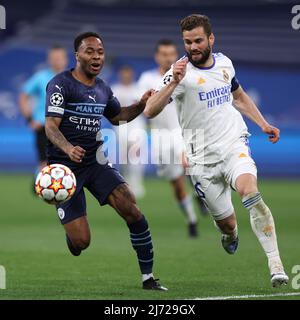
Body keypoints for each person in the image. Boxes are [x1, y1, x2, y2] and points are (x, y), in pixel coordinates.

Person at [144, 14, 288, 287]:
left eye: (198, 40)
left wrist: (263, 123)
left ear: (210, 38)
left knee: (250, 192)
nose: (193, 46)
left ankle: (275, 263)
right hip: (202, 162)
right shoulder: (178, 73)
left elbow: (239, 96)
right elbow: (150, 110)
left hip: (234, 144)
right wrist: (174, 81)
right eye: (188, 42)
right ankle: (230, 235)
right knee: (228, 224)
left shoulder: (224, 63)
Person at [44, 32, 167, 291]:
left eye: (100, 52)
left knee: (131, 208)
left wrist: (141, 104)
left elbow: (118, 116)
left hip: (96, 161)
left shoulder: (102, 88)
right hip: (64, 169)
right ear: (77, 55)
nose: (96, 56)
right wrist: (67, 148)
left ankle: (148, 278)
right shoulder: (60, 84)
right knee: (82, 242)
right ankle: (73, 238)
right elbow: (51, 127)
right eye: (90, 51)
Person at [138, 39, 200, 238]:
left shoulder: (187, 75)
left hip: (183, 132)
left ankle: (200, 192)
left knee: (189, 165)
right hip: (160, 137)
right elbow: (142, 108)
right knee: (177, 185)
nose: (168, 57)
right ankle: (191, 219)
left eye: (171, 53)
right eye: (164, 54)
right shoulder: (147, 79)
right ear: (157, 56)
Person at [19, 46, 68, 172]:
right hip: (43, 126)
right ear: (49, 60)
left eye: (59, 58)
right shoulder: (40, 77)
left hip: (66, 127)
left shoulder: (72, 78)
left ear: (65, 59)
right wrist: (29, 119)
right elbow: (24, 95)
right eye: (54, 58)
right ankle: (41, 185)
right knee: (44, 163)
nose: (57, 61)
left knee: (66, 163)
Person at [111, 65, 147, 198]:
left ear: (132, 74)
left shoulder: (138, 90)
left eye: (128, 73)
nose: (126, 76)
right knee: (125, 157)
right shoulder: (114, 90)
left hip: (137, 126)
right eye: (123, 73)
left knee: (136, 156)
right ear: (120, 74)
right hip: (121, 126)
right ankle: (126, 183)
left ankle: (137, 184)